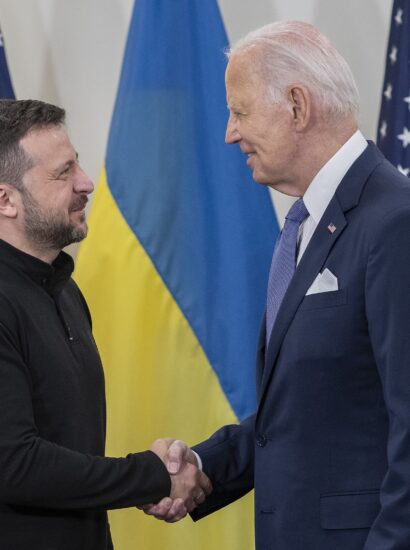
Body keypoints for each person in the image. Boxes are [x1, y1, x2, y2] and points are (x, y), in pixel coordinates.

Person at [143, 21, 410, 549]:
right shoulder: (310, 221)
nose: (229, 132)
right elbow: (307, 408)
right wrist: (202, 464)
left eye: (239, 111)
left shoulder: (392, 222)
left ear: (296, 106)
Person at [0, 99, 211, 550]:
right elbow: (14, 463)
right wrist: (152, 476)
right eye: (63, 172)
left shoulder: (65, 291)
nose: (87, 183)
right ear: (6, 200)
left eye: (77, 164)